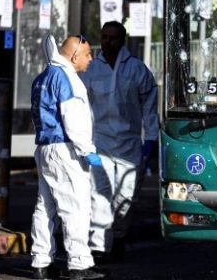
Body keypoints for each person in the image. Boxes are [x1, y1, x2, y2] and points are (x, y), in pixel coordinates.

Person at [29, 34, 106, 280]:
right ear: (74, 56)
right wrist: (88, 150)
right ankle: (79, 266)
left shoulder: (42, 77)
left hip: (44, 147)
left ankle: (41, 262)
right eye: (87, 54)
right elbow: (74, 119)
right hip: (66, 150)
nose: (91, 59)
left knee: (45, 207)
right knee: (76, 208)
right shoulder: (67, 79)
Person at [81, 21, 159, 260]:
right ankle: (102, 246)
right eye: (104, 37)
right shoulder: (91, 70)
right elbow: (81, 105)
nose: (107, 42)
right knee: (100, 194)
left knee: (126, 198)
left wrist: (152, 137)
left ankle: (120, 234)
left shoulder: (137, 69)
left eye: (112, 38)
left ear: (122, 40)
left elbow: (149, 106)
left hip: (130, 145)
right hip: (99, 144)